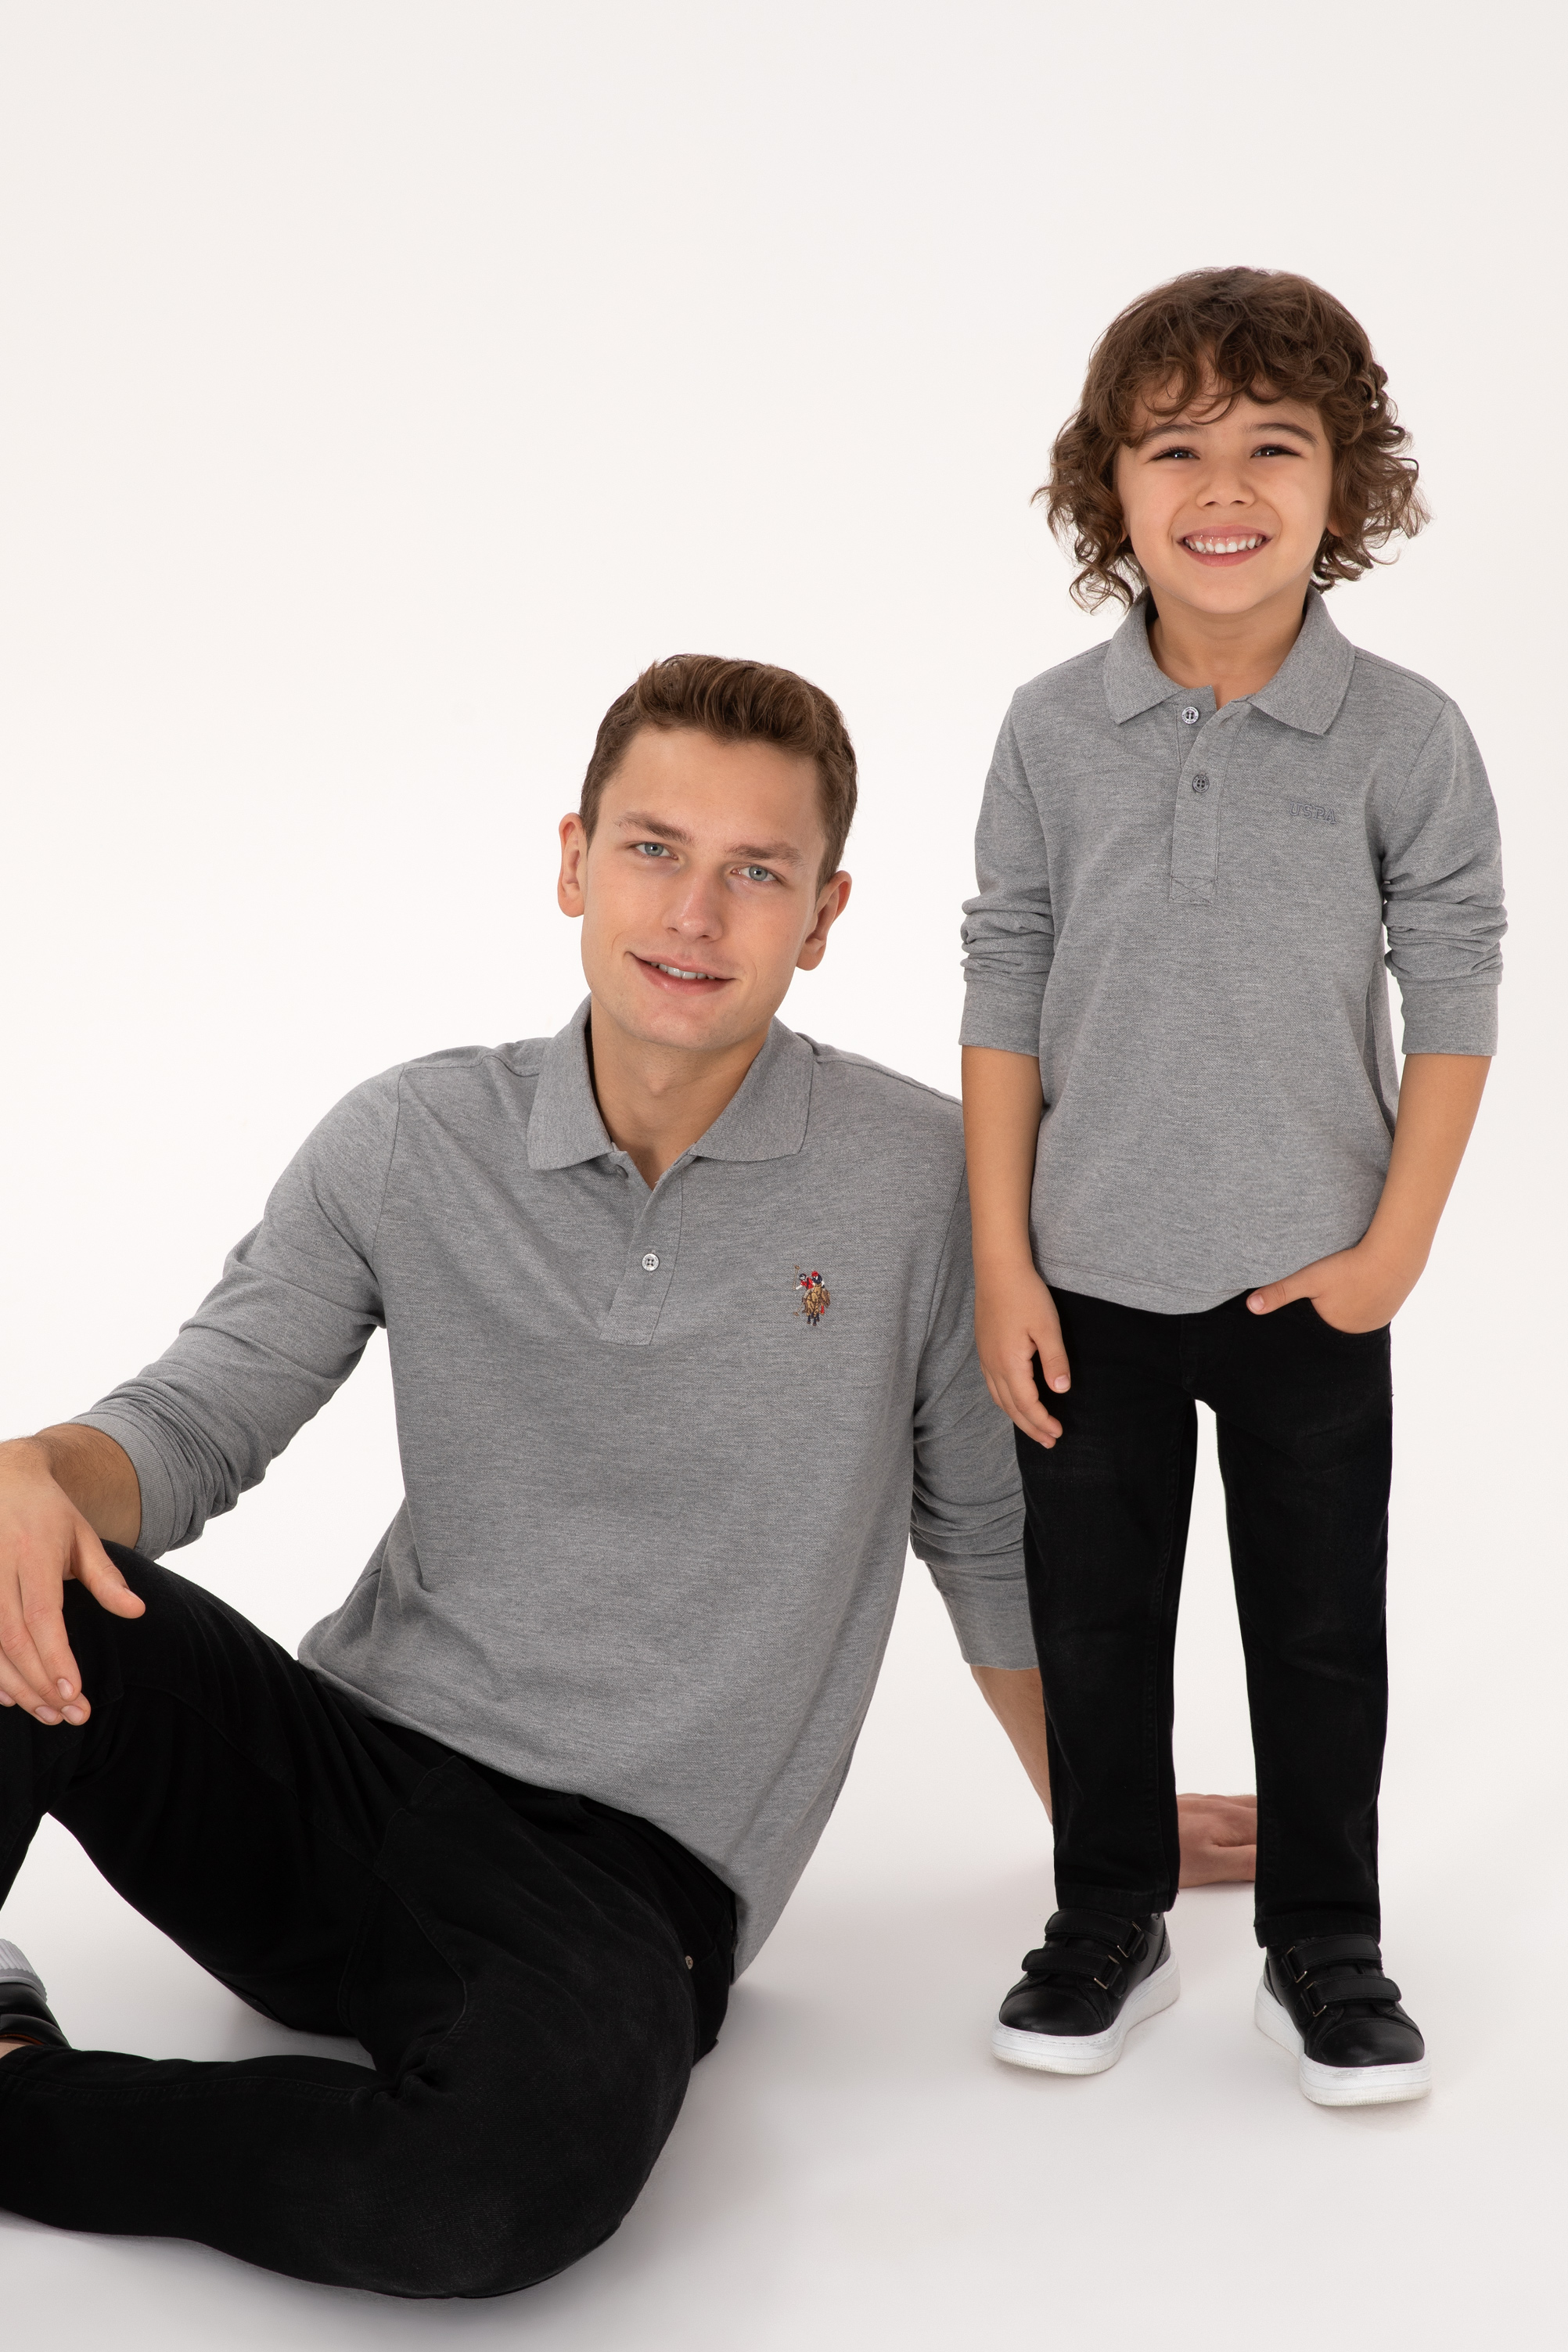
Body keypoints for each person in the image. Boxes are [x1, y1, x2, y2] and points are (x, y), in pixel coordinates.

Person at [0, 653, 1245, 2299]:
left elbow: (982, 1535)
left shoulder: (924, 1186)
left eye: (758, 872)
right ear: (575, 861)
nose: (695, 914)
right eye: (655, 849)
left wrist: (1105, 1815)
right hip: (327, 1777)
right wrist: (32, 1470)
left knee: (494, 2191)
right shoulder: (411, 1137)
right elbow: (199, 1421)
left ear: (824, 915)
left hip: (619, 1886)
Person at [959, 267, 1504, 2106]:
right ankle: (1105, 1918)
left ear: (1345, 482)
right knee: (1095, 1630)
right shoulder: (1048, 729)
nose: (1223, 488)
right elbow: (1005, 983)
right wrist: (1003, 1264)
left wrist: (1393, 1252)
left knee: (1322, 1633)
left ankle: (1325, 1943)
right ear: (1107, 486)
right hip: (1086, 1277)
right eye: (1174, 448)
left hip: (1310, 1278)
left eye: (1274, 446)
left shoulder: (1406, 733)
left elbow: (1458, 983)